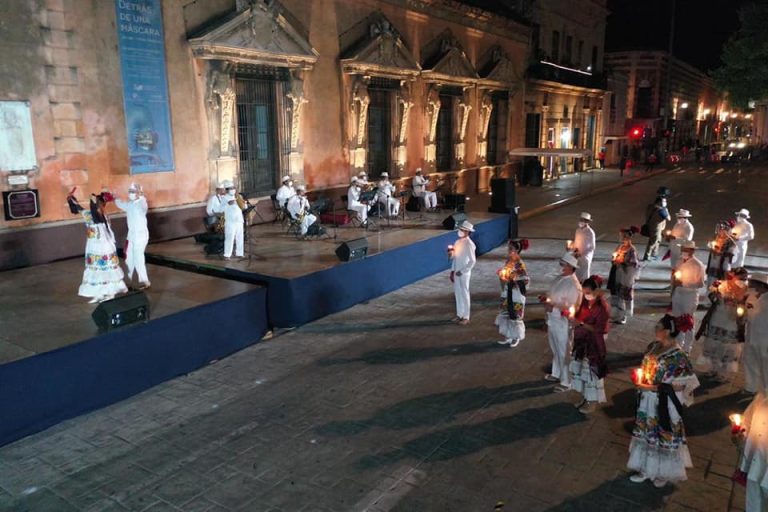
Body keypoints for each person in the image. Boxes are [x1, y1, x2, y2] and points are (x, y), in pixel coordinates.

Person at [628, 314, 700, 488]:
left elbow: (681, 386)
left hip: (664, 403)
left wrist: (653, 388)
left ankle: (664, 472)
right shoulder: (654, 346)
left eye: (658, 327)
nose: (655, 330)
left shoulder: (677, 356)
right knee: (647, 433)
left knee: (664, 434)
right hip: (648, 399)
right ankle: (646, 468)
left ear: (667, 331)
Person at [67, 189, 129, 303]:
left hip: (104, 248)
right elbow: (78, 209)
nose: (96, 206)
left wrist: (91, 199)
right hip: (93, 247)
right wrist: (71, 199)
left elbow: (94, 216)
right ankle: (98, 293)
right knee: (96, 271)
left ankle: (110, 292)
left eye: (97, 204)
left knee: (106, 271)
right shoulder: (90, 215)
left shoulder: (102, 217)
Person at [697, 267, 748, 382]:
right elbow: (711, 296)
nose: (742, 281)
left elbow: (747, 307)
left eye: (744, 279)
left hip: (731, 322)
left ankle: (723, 373)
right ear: (733, 275)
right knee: (713, 345)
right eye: (740, 278)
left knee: (727, 348)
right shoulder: (721, 284)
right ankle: (713, 369)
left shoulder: (746, 290)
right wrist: (716, 294)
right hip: (717, 318)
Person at [540, 253, 583, 392]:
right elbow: (552, 295)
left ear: (571, 267)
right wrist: (546, 299)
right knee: (555, 348)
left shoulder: (574, 285)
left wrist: (554, 307)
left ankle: (567, 381)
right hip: (552, 320)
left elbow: (572, 307)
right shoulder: (560, 278)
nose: (561, 267)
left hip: (562, 323)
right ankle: (556, 373)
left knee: (564, 351)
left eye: (563, 265)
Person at [569, 275, 610, 413]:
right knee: (582, 371)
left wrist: (580, 323)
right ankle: (585, 397)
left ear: (596, 291)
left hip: (594, 344)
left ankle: (592, 401)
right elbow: (579, 315)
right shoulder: (586, 302)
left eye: (587, 292)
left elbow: (599, 329)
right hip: (582, 341)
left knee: (592, 371)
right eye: (584, 292)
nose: (585, 295)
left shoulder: (602, 307)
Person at [671, 240, 706, 353]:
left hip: (690, 296)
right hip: (678, 293)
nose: (683, 251)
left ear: (692, 251)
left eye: (685, 249)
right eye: (682, 249)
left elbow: (700, 284)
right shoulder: (679, 261)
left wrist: (684, 283)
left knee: (688, 320)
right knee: (677, 318)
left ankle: (687, 347)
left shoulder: (698, 265)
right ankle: (677, 344)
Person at [114, 183, 150, 290]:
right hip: (131, 236)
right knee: (129, 258)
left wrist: (142, 195)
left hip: (141, 235)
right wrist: (114, 197)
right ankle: (128, 280)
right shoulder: (130, 204)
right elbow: (121, 204)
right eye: (130, 191)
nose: (131, 194)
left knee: (138, 258)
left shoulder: (142, 203)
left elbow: (143, 205)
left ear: (139, 193)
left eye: (133, 192)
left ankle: (144, 281)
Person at [495, 238, 530, 347]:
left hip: (516, 294)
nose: (509, 251)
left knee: (515, 316)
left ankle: (516, 337)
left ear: (517, 250)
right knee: (506, 314)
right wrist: (502, 275)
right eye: (508, 249)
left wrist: (514, 283)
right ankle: (508, 336)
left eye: (511, 249)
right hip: (507, 291)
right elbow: (505, 274)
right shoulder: (508, 261)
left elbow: (525, 280)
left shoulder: (519, 264)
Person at [609, 226, 640, 325]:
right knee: (618, 295)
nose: (623, 239)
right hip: (618, 274)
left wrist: (622, 263)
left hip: (626, 277)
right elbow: (614, 257)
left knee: (623, 295)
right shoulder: (620, 247)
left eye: (624, 237)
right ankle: (617, 314)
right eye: (622, 237)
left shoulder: (632, 250)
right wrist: (614, 260)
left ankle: (623, 316)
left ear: (629, 238)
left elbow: (634, 264)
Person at [744, 273, 768, 395]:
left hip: (764, 337)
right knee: (749, 360)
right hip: (751, 334)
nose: (751, 285)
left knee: (765, 365)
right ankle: (750, 387)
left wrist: (749, 312)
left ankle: (766, 390)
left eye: (754, 283)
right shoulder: (752, 296)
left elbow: (755, 316)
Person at [449, 220, 476, 326]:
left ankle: (466, 316)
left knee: (464, 293)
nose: (460, 231)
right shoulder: (457, 242)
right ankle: (459, 314)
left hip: (464, 273)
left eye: (462, 229)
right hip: (456, 271)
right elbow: (455, 258)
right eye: (460, 229)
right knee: (458, 293)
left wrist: (463, 271)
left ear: (467, 231)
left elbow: (472, 261)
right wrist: (452, 271)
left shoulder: (469, 244)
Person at [705, 219, 736, 287]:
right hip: (712, 265)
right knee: (709, 284)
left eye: (724, 229)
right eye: (720, 228)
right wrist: (712, 249)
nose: (721, 230)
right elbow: (710, 245)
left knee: (718, 287)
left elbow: (732, 258)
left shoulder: (730, 243)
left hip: (721, 267)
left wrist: (721, 254)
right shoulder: (715, 238)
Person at [643, 193, 671, 261]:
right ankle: (647, 256)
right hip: (656, 228)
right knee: (654, 241)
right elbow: (669, 218)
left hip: (650, 225)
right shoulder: (662, 210)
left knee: (657, 240)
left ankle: (654, 254)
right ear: (659, 202)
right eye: (664, 201)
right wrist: (666, 210)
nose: (665, 203)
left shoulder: (650, 206)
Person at [570, 212, 595, 282]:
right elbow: (576, 242)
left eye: (583, 220)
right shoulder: (577, 230)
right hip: (576, 257)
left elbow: (592, 247)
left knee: (584, 276)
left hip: (585, 258)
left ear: (587, 222)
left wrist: (582, 254)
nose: (581, 221)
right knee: (576, 275)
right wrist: (572, 249)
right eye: (580, 219)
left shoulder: (590, 232)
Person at [222, 181, 245, 260]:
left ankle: (239, 253)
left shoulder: (238, 196)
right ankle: (227, 255)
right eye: (231, 188)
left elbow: (244, 206)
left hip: (239, 220)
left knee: (240, 237)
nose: (233, 189)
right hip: (230, 222)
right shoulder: (225, 198)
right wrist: (230, 202)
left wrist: (242, 202)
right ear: (227, 190)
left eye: (234, 188)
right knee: (230, 238)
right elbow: (223, 207)